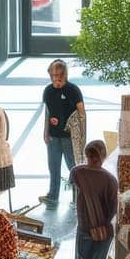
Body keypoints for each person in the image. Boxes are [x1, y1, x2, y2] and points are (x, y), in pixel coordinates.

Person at [71, 140, 118, 259]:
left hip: (84, 227)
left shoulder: (77, 172)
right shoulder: (110, 180)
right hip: (103, 231)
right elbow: (113, 209)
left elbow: (74, 182)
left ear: (86, 155)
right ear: (104, 156)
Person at [40, 59, 85, 205]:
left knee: (73, 166)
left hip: (69, 136)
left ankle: (77, 194)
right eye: (53, 75)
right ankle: (53, 195)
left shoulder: (73, 90)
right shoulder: (48, 91)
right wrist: (45, 132)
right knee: (53, 166)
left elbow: (82, 113)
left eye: (59, 76)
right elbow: (47, 112)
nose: (56, 79)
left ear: (65, 75)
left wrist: (82, 135)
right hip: (53, 136)